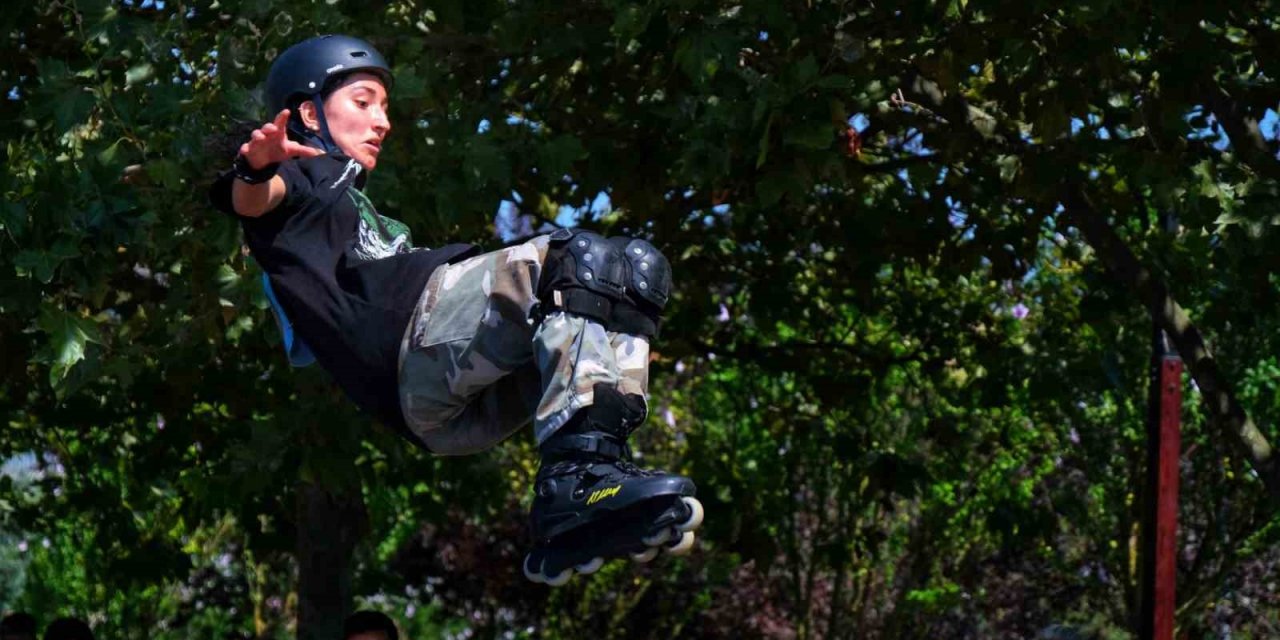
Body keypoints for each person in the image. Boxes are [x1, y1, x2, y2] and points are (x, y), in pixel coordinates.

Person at [210, 34, 703, 585]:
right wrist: (255, 167)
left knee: (635, 269)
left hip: (447, 404)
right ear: (308, 112)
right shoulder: (302, 179)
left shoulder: (358, 208)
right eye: (364, 102)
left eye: (385, 108)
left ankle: (594, 477)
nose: (382, 123)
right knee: (576, 260)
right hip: (410, 352)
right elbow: (252, 200)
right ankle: (575, 479)